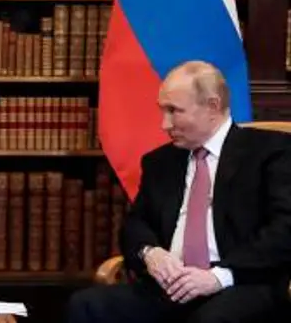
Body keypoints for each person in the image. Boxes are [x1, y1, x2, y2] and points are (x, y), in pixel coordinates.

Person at [66, 60, 291, 323]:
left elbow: (284, 230)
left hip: (238, 283)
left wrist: (218, 277)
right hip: (171, 286)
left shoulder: (270, 152)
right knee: (87, 305)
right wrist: (150, 253)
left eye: (174, 111)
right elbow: (135, 224)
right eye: (163, 111)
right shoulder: (161, 162)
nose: (164, 124)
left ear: (212, 106)